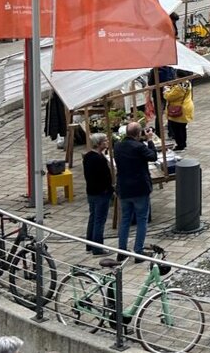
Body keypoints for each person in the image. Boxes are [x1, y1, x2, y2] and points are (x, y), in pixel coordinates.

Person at [114, 121, 158, 258]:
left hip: (124, 188)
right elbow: (153, 156)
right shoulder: (139, 147)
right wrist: (150, 140)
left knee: (125, 220)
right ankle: (138, 251)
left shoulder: (118, 146)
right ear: (139, 134)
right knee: (141, 220)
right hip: (139, 188)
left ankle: (121, 251)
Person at [82, 133, 112, 255]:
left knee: (93, 217)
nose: (107, 142)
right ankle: (98, 248)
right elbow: (106, 177)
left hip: (91, 191)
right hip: (101, 193)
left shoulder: (88, 157)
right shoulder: (99, 160)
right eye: (105, 141)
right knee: (99, 220)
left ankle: (89, 244)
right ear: (99, 144)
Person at [162, 79, 193, 151]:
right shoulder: (187, 82)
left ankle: (180, 145)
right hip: (186, 107)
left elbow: (168, 97)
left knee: (176, 128)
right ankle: (183, 144)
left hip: (178, 109)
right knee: (182, 128)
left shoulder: (178, 87)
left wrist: (166, 91)